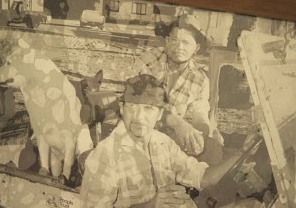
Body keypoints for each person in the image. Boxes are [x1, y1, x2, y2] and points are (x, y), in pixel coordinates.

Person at [79, 74, 241, 207]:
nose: (139, 117)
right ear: (122, 109)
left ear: (159, 115)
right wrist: (152, 205)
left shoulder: (162, 142)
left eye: (148, 109)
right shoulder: (105, 156)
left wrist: (240, 155)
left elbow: (202, 177)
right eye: (133, 107)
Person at [134, 14, 223, 163]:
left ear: (196, 48)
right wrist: (177, 123)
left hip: (167, 138)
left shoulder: (200, 79)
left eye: (186, 42)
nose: (179, 47)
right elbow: (143, 104)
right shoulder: (148, 61)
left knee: (214, 150)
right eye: (174, 40)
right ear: (167, 41)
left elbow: (200, 114)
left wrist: (200, 135)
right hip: (137, 130)